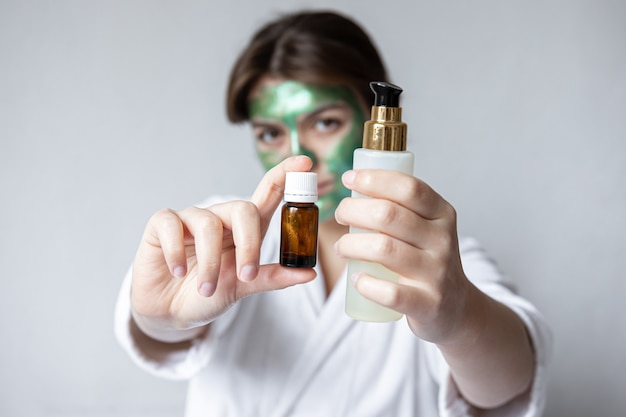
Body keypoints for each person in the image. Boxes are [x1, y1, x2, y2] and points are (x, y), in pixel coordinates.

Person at [115, 10, 551, 417]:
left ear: (370, 117)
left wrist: (459, 317)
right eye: (269, 132)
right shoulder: (223, 235)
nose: (298, 154)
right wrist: (158, 316)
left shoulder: (435, 261)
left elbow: (509, 383)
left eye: (325, 123)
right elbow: (166, 331)